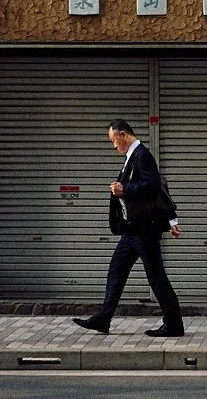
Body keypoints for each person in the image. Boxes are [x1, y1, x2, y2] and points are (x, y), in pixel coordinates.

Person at [72, 118, 185, 337]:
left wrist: (125, 190)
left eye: (114, 141)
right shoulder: (132, 157)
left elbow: (154, 186)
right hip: (132, 231)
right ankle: (104, 319)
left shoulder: (142, 155)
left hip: (145, 231)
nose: (114, 146)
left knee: (156, 278)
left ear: (123, 135)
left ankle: (174, 324)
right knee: (116, 271)